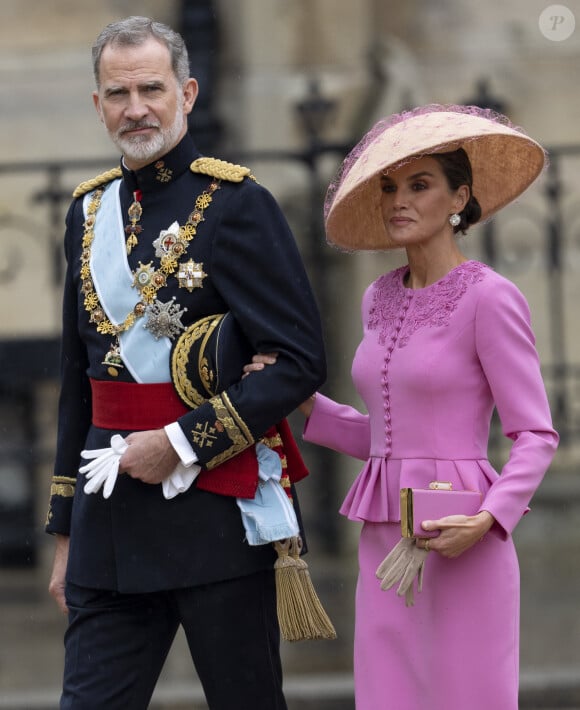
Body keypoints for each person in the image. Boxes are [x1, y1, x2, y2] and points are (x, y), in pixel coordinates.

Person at [45, 15, 326, 710]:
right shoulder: (87, 213)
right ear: (98, 105)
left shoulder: (238, 206)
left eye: (150, 88)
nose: (135, 108)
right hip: (109, 527)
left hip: (214, 518)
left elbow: (298, 360)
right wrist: (64, 534)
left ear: (188, 93)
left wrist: (178, 444)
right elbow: (78, 384)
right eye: (117, 93)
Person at [245, 104, 559, 709]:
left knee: (468, 696)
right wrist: (305, 401)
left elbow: (536, 434)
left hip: (462, 536)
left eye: (421, 185)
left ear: (459, 198)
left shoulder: (491, 298)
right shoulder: (377, 297)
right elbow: (391, 437)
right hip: (385, 537)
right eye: (389, 187)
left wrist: (492, 519)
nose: (399, 200)